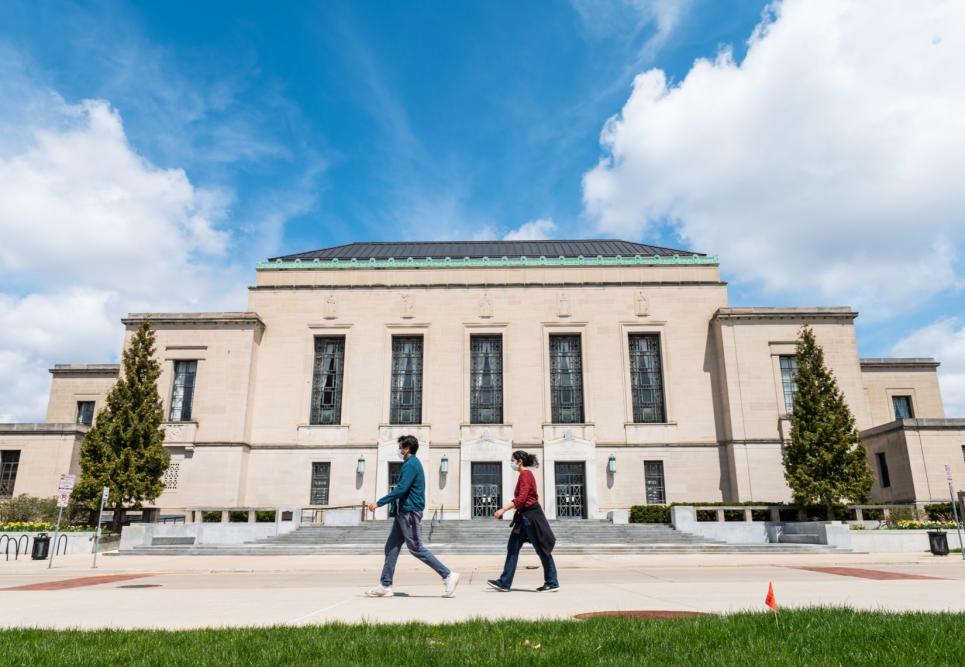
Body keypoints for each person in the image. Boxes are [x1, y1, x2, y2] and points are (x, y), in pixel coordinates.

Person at [365, 435, 460, 598]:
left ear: (407, 448)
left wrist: (379, 503)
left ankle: (448, 575)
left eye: (401, 447)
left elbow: (401, 489)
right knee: (391, 547)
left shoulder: (411, 464)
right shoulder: (410, 464)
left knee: (416, 548)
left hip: (410, 511)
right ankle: (385, 585)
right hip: (403, 513)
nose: (399, 450)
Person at [487, 450, 559, 592]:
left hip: (531, 518)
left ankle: (552, 582)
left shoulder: (526, 475)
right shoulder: (523, 475)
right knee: (512, 548)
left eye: (512, 460)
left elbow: (521, 499)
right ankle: (504, 583)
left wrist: (502, 510)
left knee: (542, 549)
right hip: (523, 518)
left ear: (519, 461)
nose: (511, 463)